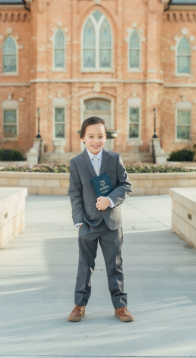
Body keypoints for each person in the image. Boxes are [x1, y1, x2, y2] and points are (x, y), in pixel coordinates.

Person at [67, 115, 134, 323]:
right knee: (84, 265)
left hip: (111, 223)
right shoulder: (77, 162)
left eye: (100, 136)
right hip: (87, 222)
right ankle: (79, 305)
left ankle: (120, 305)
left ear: (106, 137)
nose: (96, 141)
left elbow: (126, 185)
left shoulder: (114, 159)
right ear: (83, 138)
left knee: (115, 264)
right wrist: (78, 219)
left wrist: (110, 200)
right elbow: (75, 193)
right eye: (91, 136)